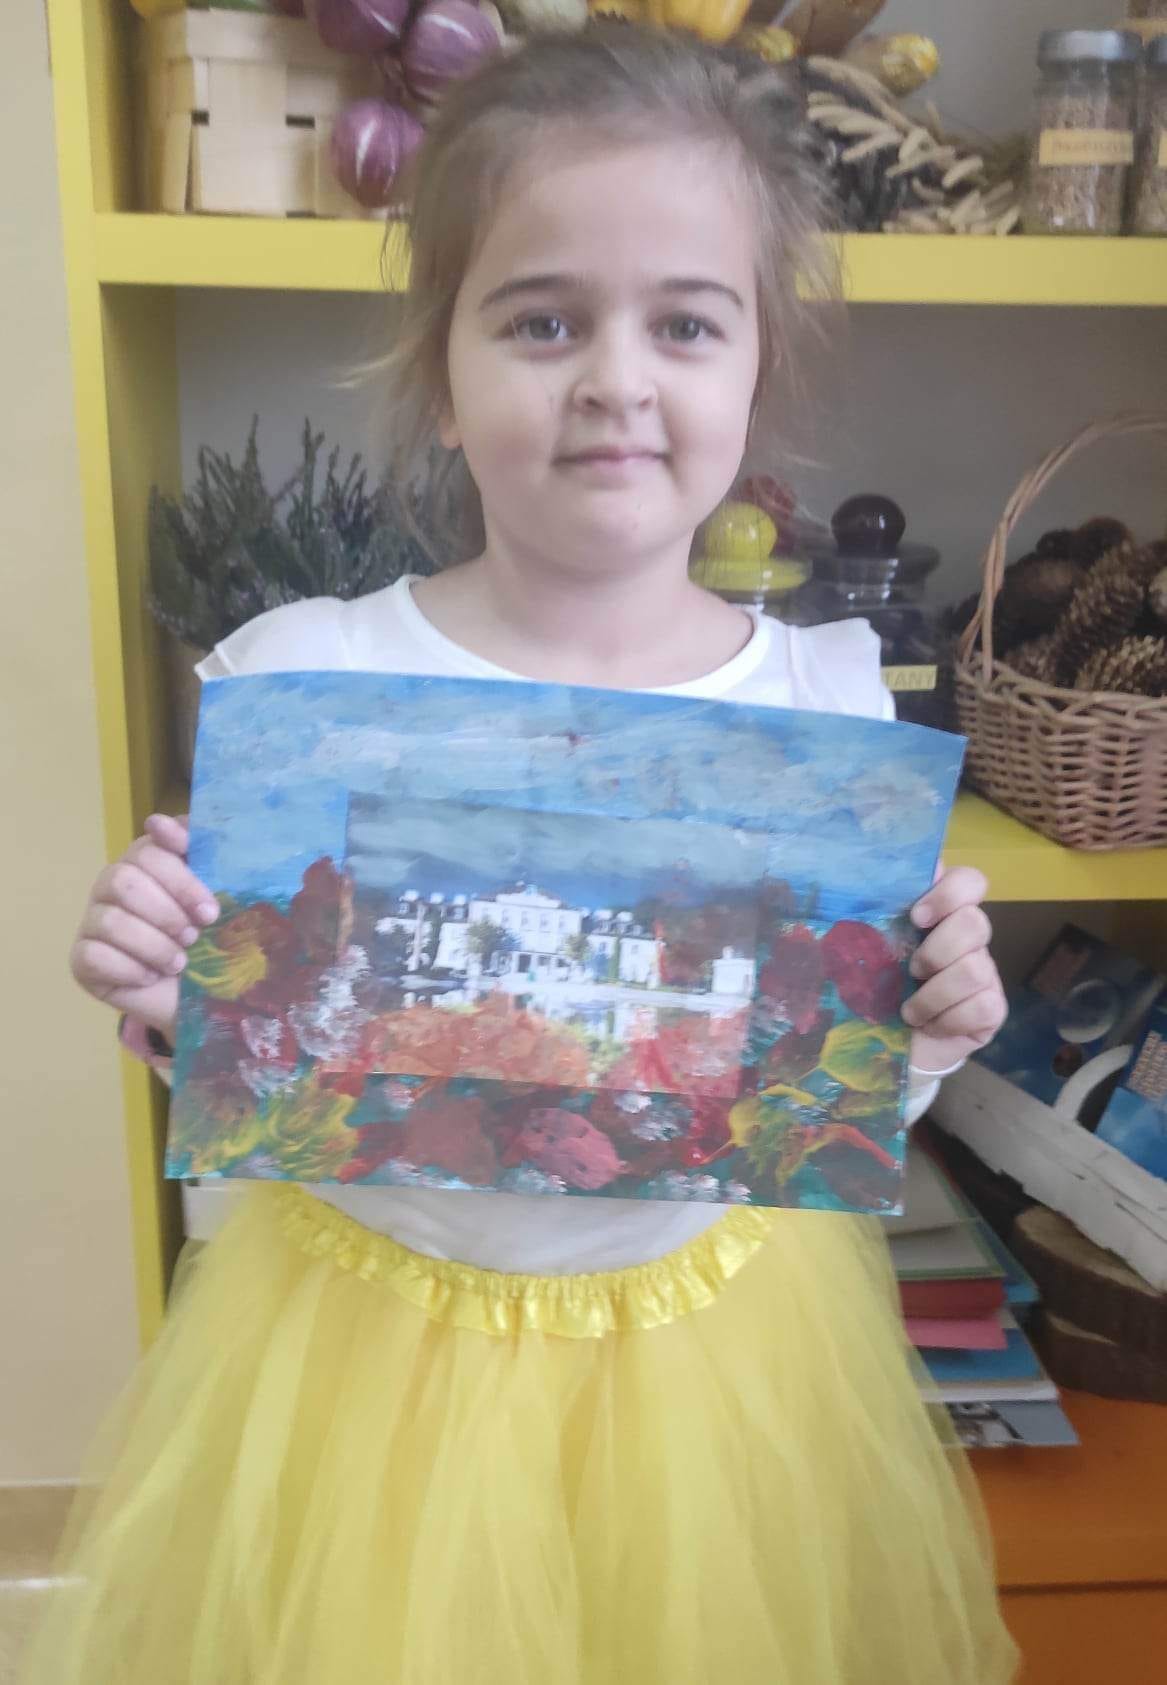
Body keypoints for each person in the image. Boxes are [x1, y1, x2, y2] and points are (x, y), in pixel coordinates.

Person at [31, 25, 1014, 1685]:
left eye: (684, 324)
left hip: (710, 1361)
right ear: (442, 369)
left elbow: (808, 1103)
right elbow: (259, 1067)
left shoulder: (825, 707)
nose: (617, 380)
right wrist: (163, 991)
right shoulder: (307, 678)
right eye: (544, 320)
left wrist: (924, 1031)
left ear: (757, 367)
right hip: (363, 1358)